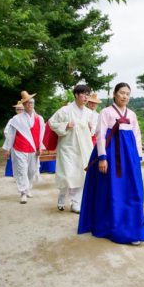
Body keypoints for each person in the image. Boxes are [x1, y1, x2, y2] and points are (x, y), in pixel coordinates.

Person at [78, 82, 144, 244]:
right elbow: (100, 135)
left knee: (132, 191)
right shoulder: (106, 112)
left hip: (128, 159)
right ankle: (111, 226)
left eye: (128, 94)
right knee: (111, 191)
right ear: (115, 94)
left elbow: (137, 137)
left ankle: (132, 228)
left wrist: (137, 157)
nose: (125, 96)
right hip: (110, 157)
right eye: (122, 93)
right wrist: (102, 158)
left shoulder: (132, 114)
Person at [47, 84, 96, 213]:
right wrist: (65, 125)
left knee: (81, 174)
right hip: (68, 147)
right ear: (76, 95)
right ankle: (62, 196)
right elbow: (51, 123)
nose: (86, 97)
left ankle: (75, 203)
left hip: (83, 149)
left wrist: (91, 128)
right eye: (83, 94)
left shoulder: (90, 113)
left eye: (88, 94)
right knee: (67, 174)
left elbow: (93, 131)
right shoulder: (65, 110)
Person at [2, 90, 45, 204]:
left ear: (33, 104)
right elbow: (10, 134)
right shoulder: (16, 119)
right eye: (27, 103)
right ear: (24, 105)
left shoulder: (39, 119)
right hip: (19, 148)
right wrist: (7, 149)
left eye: (31, 103)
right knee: (22, 170)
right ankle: (23, 193)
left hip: (33, 149)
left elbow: (42, 134)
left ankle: (28, 187)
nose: (29, 105)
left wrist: (40, 147)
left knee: (31, 171)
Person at [4, 101, 24, 177]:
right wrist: (13, 139)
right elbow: (6, 131)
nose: (20, 111)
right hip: (15, 143)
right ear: (16, 110)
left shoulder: (28, 119)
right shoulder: (12, 120)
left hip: (25, 143)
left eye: (21, 109)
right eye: (18, 109)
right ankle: (13, 173)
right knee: (15, 159)